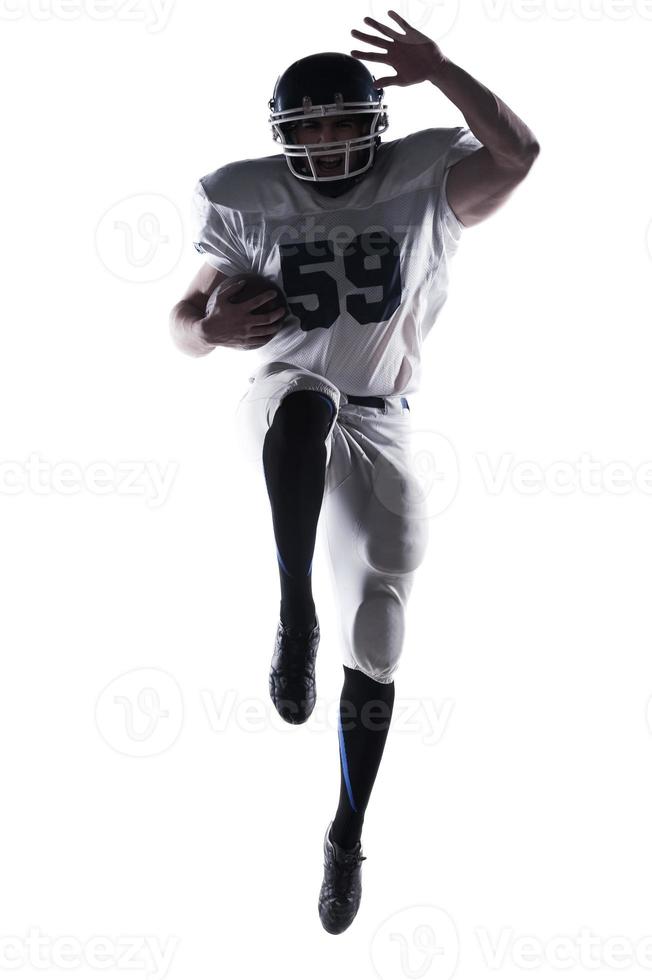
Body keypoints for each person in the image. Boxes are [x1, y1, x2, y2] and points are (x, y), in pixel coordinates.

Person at [169, 9, 540, 934]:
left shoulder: (424, 177)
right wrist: (208, 330)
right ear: (282, 136)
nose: (329, 146)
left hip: (386, 418)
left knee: (378, 635)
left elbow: (521, 153)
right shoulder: (241, 196)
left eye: (345, 125)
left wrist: (444, 69)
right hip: (284, 396)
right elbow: (181, 321)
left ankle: (345, 832)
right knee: (304, 402)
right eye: (312, 129)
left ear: (372, 123)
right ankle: (294, 610)